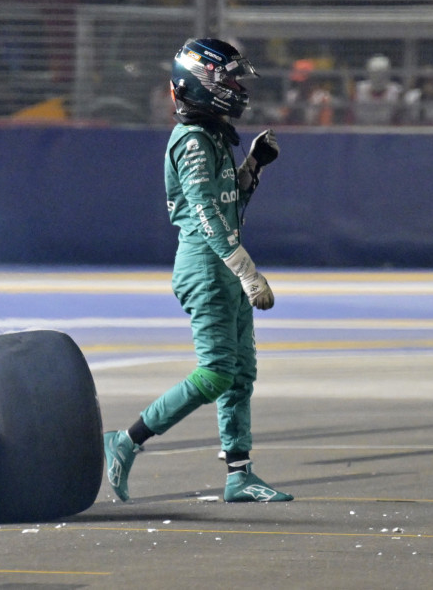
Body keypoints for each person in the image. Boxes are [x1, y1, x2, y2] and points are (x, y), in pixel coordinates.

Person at [103, 37, 293, 504]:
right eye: (228, 78)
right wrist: (247, 272)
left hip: (222, 261)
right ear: (203, 82)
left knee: (240, 374)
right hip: (208, 267)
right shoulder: (191, 139)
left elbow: (229, 206)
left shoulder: (209, 135)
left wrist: (252, 167)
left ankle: (239, 474)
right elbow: (206, 212)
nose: (236, 87)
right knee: (215, 375)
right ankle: (126, 440)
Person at [351, 53, 403, 125]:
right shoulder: (359, 91)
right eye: (374, 74)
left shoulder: (396, 92)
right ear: (369, 73)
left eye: (382, 74)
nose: (378, 77)